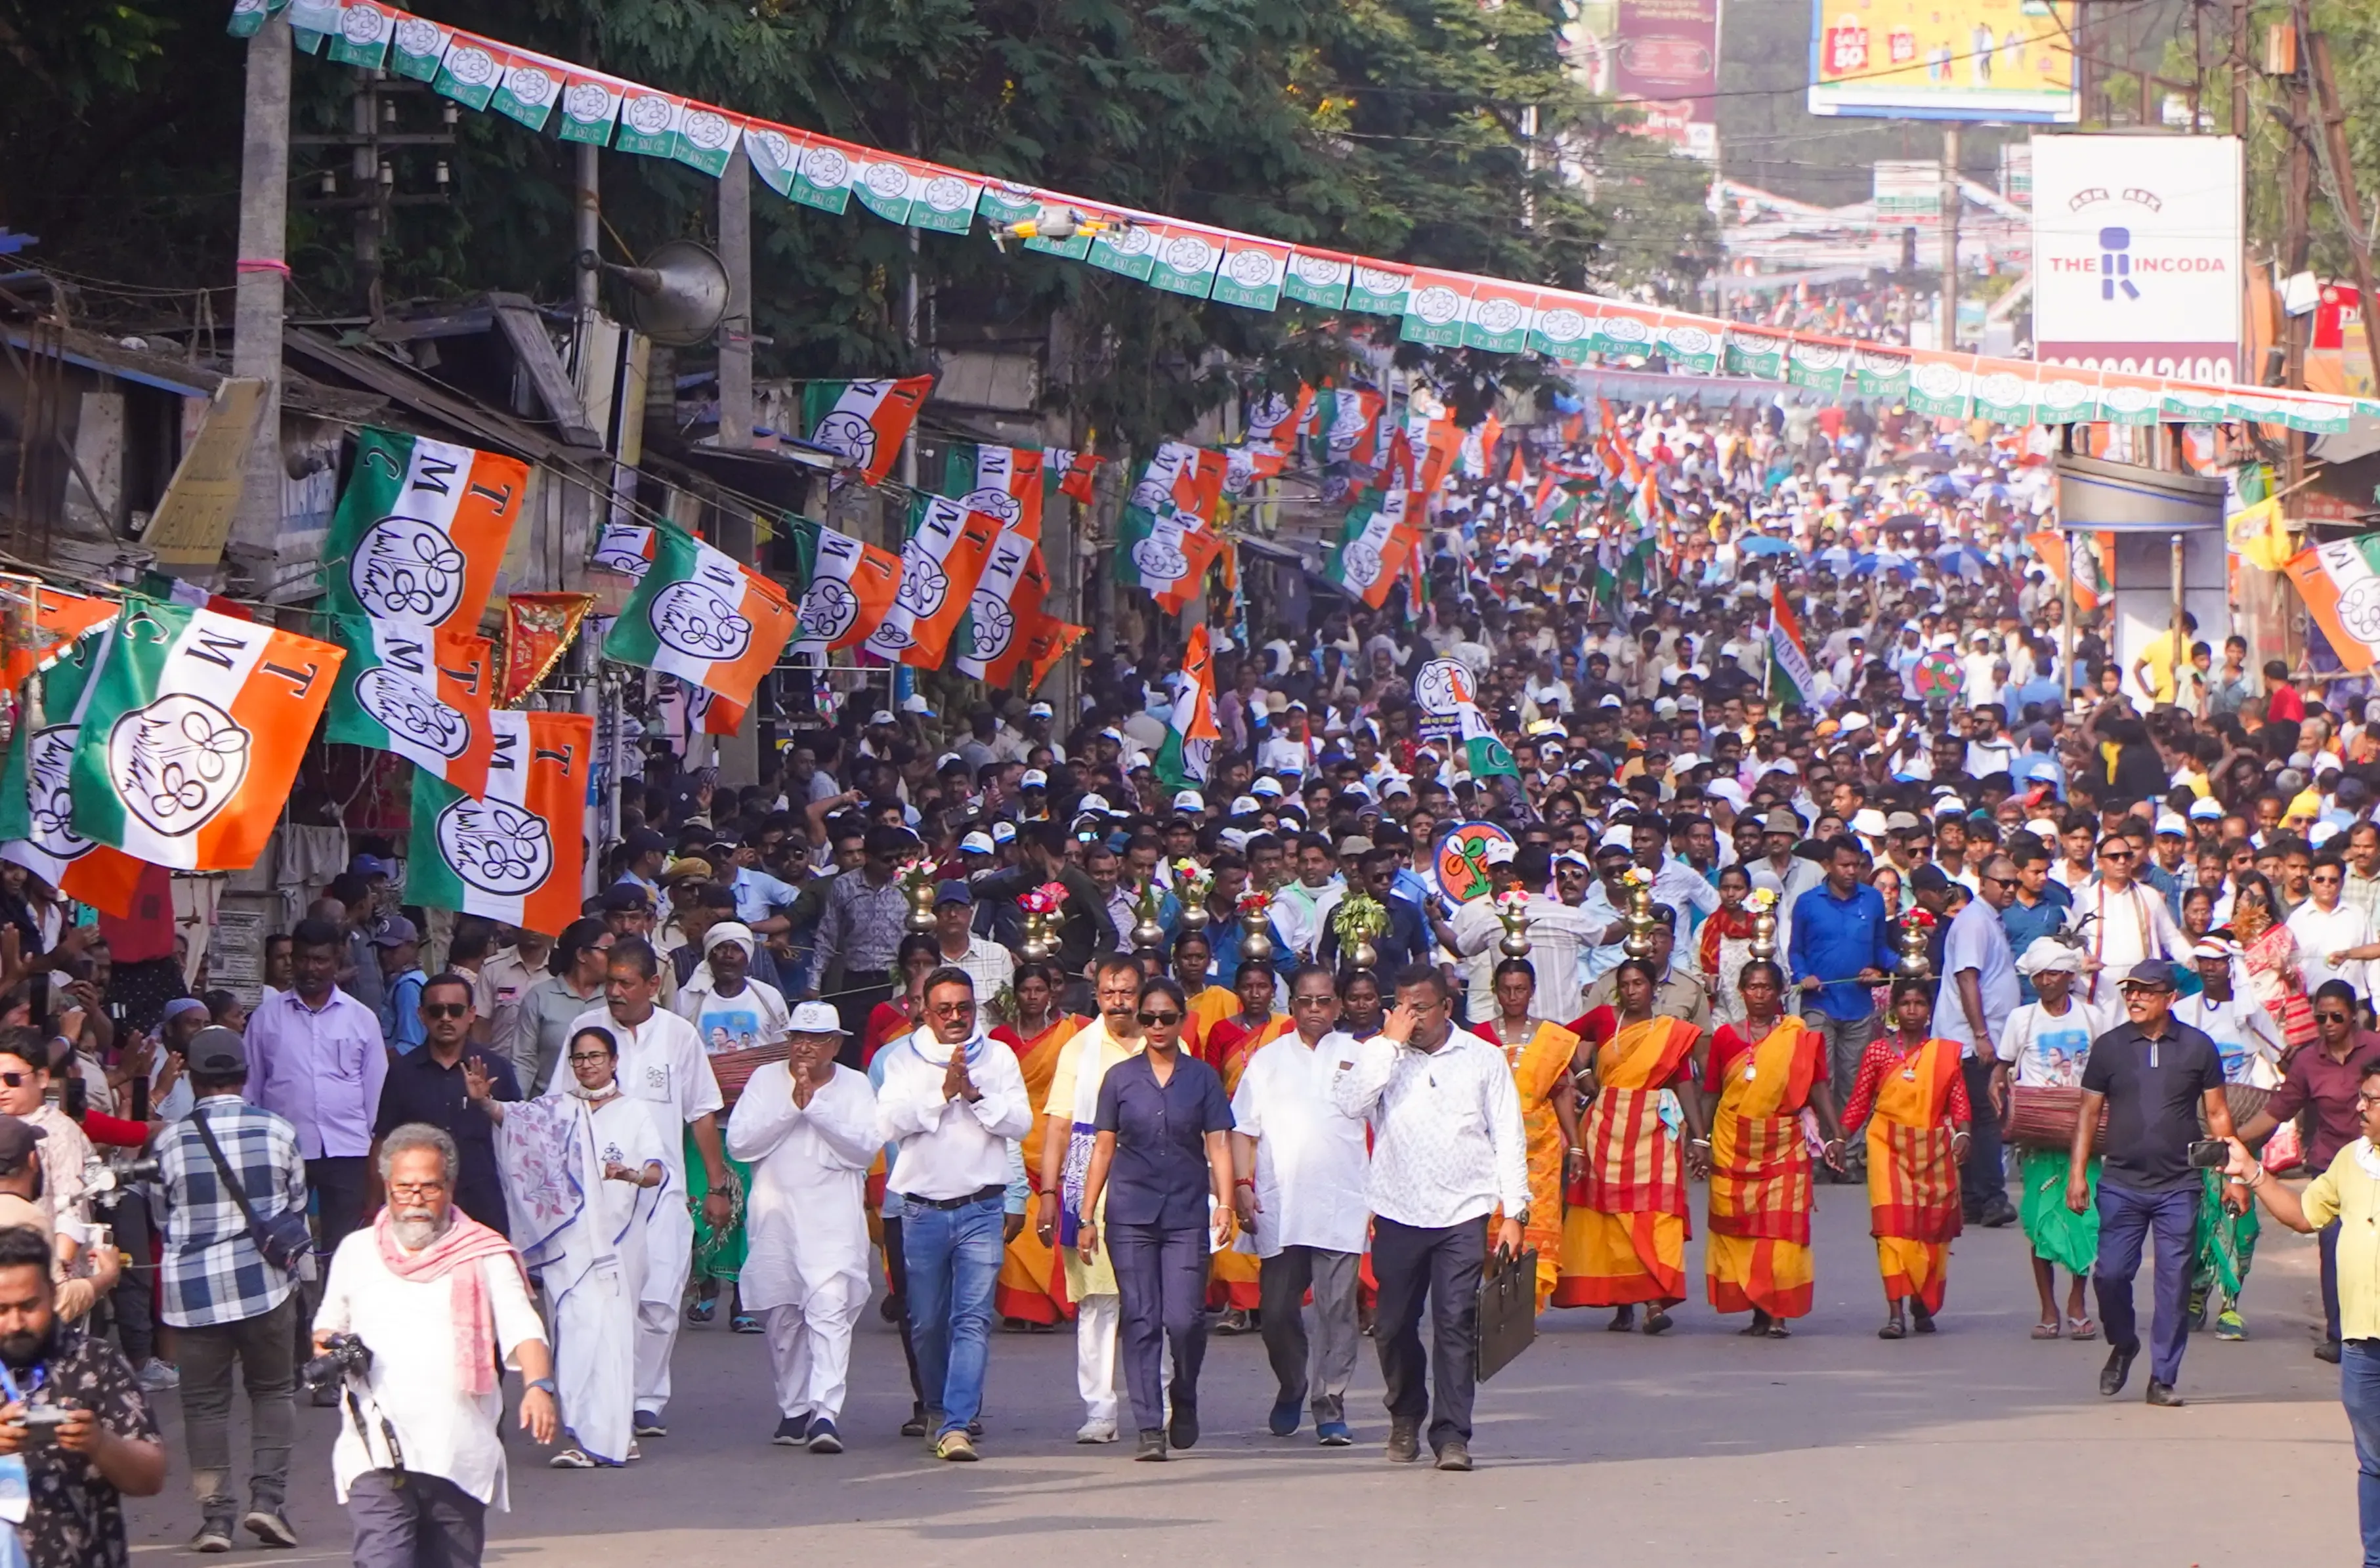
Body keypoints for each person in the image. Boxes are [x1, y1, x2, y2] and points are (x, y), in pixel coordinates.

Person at [313, 1124, 558, 1568]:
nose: (416, 1199)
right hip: (374, 1449)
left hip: (457, 1451)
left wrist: (539, 1385)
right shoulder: (355, 1251)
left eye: (429, 1186)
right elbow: (325, 1329)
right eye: (404, 1188)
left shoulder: (484, 1253)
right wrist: (332, 1353)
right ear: (387, 1186)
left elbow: (524, 1326)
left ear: (450, 1187)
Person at [1330, 966, 1527, 1473]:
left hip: (1464, 1209)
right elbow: (1349, 1104)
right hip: (1398, 1208)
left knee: (1456, 1320)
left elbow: (1508, 1134)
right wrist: (1386, 1046)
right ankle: (1406, 1413)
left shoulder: (1482, 1058)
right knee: (1392, 1326)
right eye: (1402, 1006)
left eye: (1421, 1007)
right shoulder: (1384, 1054)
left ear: (1447, 1007)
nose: (1410, 1017)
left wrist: (1515, 1211)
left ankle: (1452, 1435)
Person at [472, 1026, 665, 1470]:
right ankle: (584, 1435)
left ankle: (613, 1435)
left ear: (614, 1061)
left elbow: (656, 1168)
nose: (587, 1064)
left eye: (596, 1056)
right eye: (579, 1057)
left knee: (612, 1337)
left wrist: (631, 1175)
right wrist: (484, 1101)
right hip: (568, 1245)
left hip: (617, 1243)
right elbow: (515, 1119)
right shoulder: (558, 1109)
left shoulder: (634, 1111)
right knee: (575, 1336)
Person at [567, 938, 731, 1439]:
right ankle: (605, 1397)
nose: (614, 992)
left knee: (659, 1301)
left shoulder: (678, 1035)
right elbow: (561, 1104)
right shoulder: (585, 1030)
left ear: (653, 985)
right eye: (609, 981)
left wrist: (718, 1184)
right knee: (604, 1301)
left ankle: (646, 1397)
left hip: (663, 1193)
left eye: (625, 982)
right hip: (596, 1196)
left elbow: (701, 1110)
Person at [152, 1025, 306, 1551]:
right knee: (272, 1390)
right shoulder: (279, 1131)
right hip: (265, 1286)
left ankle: (216, 1518)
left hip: (194, 1295)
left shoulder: (169, 1140)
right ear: (244, 1075)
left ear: (193, 1079)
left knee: (204, 1405)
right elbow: (296, 1207)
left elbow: (161, 1214)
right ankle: (269, 1502)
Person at [874, 967, 1032, 1461]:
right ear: (924, 1009)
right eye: (944, 1009)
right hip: (920, 1211)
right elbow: (887, 1123)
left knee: (971, 1319)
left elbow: (1021, 1122)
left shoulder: (1000, 1055)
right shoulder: (901, 1059)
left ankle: (957, 1422)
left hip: (981, 1207)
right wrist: (942, 1093)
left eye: (964, 1007)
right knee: (925, 1322)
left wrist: (975, 1095)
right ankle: (938, 1407)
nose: (956, 1017)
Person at [2222, 1067, 2380, 1567]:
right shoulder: (2352, 1161)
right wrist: (2252, 1171)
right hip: (2362, 1340)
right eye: (2361, 1098)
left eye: (2371, 1101)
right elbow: (2303, 1215)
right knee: (2374, 1464)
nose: (2360, 1108)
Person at [1074, 976, 1235, 1462]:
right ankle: (1149, 1425)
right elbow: (1102, 1147)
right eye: (1149, 1018)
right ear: (1140, 1022)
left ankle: (1183, 1394)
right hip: (1131, 1213)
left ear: (1182, 1019)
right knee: (1142, 1318)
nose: (1158, 1025)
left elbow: (1219, 1143)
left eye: (1167, 1017)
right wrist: (1086, 1215)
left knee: (1184, 1319)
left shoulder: (1202, 1077)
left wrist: (1226, 1202)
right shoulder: (1120, 1078)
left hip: (1186, 1211)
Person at [2068, 959, 2241, 1406]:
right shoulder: (2108, 1047)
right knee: (2110, 1273)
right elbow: (2088, 1113)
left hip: (2179, 1184)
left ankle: (2163, 1377)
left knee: (2173, 1282)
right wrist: (2076, 1174)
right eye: (2130, 990)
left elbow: (2219, 1113)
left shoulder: (2198, 1047)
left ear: (2170, 997)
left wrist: (2235, 1172)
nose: (2135, 998)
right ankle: (2124, 1343)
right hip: (2121, 1181)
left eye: (2146, 991)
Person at [726, 1002, 879, 1455]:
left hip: (833, 1224)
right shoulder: (765, 1080)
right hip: (777, 1221)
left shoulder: (854, 1085)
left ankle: (826, 1412)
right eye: (797, 1037)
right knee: (784, 1319)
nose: (804, 1047)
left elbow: (865, 1150)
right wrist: (790, 1109)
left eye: (815, 1038)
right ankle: (794, 1407)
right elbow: (739, 1142)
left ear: (836, 1043)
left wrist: (816, 1109)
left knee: (830, 1313)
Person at [1229, 964, 1370, 1447]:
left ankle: (1330, 1403)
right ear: (1292, 1007)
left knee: (1338, 1311)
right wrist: (1243, 1185)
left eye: (1324, 1000)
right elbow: (1243, 1129)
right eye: (1306, 1001)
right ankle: (1292, 1383)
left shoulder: (1359, 1057)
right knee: (1275, 1311)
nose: (1315, 1009)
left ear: (1338, 1005)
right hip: (1280, 1203)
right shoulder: (1266, 1060)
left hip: (1341, 1202)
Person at [241, 917, 386, 1318]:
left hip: (349, 1151)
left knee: (345, 1249)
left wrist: (377, 1156)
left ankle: (341, 1332)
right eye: (303, 960)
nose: (310, 969)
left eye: (320, 960)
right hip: (286, 1152)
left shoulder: (361, 1019)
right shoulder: (266, 1019)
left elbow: (376, 1093)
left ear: (336, 960)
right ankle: (295, 1333)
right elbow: (251, 1089)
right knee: (284, 1249)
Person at [0, 1222, 165, 1568]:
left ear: (52, 1291)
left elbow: (151, 1477)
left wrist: (100, 1444)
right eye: (2, 1309)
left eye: (29, 1306)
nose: (16, 1323)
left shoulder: (95, 1361)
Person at [2234, 977, 2380, 1363]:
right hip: (2333, 1165)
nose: (2328, 1024)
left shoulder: (2376, 1049)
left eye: (2336, 1016)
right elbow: (2277, 1111)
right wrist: (2233, 1141)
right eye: (2321, 1018)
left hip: (2377, 1162)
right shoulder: (2306, 1061)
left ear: (2353, 1017)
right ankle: (2340, 1335)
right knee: (2334, 1249)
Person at [1556, 958, 1706, 1328]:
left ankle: (1655, 1302)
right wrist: (1585, 1072)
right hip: (1607, 1127)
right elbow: (1558, 1038)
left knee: (1656, 1216)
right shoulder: (1606, 1019)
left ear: (1654, 987)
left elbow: (1684, 1081)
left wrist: (1700, 1137)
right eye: (1625, 984)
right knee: (1612, 1218)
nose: (1632, 990)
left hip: (1655, 1129)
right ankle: (1623, 1304)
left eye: (1639, 983)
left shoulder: (1670, 1031)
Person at [1033, 956, 1146, 1443]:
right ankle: (1100, 1410)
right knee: (1099, 1301)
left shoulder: (1165, 1039)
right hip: (1090, 1188)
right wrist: (1049, 1192)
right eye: (1108, 992)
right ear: (1096, 995)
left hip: (1154, 1183)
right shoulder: (1079, 1048)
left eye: (1127, 991)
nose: (1118, 1000)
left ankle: (1154, 1401)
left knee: (1151, 1302)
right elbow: (1058, 1124)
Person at [1704, 959, 1844, 1337]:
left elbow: (1817, 1086)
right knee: (1744, 1230)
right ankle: (1759, 1311)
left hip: (1784, 1143)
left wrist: (1836, 1135)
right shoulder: (1726, 1038)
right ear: (1742, 992)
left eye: (1767, 987)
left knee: (1781, 1230)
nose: (1760, 995)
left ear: (1780, 991)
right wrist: (1700, 1141)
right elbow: (1712, 1093)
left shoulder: (1797, 1036)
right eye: (1752, 987)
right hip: (1734, 1144)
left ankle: (1779, 1312)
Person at [1833, 977, 1972, 1339]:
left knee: (1930, 1230)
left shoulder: (1944, 1053)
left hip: (1933, 1150)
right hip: (1887, 1147)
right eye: (1905, 1003)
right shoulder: (1878, 1052)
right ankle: (1896, 1312)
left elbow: (1958, 1101)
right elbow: (1860, 1102)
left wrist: (1964, 1133)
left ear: (1929, 1009)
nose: (1912, 1010)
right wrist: (1838, 1138)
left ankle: (1922, 1301)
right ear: (1893, 1008)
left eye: (1919, 1004)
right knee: (1891, 1229)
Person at [1998, 939, 2118, 1339]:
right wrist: (2000, 1097)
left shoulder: (2092, 1017)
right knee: (2039, 1221)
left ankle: (2077, 1302)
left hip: (2085, 1136)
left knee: (2084, 1219)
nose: (2045, 982)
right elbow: (2001, 1070)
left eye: (2053, 974)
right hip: (2037, 1138)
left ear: (2070, 977)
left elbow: (2110, 1071)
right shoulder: (2021, 1019)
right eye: (2039, 976)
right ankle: (2048, 1306)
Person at [370, 975, 520, 1235]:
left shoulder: (495, 1069)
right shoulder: (402, 1073)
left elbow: (520, 1134)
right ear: (422, 1015)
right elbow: (384, 1141)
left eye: (456, 1010)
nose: (446, 1018)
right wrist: (375, 1203)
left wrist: (486, 1103)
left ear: (472, 1014)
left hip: (486, 1202)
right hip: (421, 1204)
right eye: (437, 1011)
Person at [1787, 837, 1895, 1177]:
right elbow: (1796, 951)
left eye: (1856, 865)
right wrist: (1804, 976)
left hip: (1859, 1005)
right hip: (1819, 1003)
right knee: (1820, 1079)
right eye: (1844, 865)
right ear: (1829, 866)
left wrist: (1888, 969)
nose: (1851, 872)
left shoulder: (1873, 900)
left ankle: (1849, 1154)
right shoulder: (1807, 903)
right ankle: (1819, 1151)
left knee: (1854, 1082)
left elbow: (1881, 949)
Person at [1478, 958, 1581, 1309]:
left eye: (1520, 989)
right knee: (1493, 1220)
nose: (1513, 996)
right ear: (1495, 992)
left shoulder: (1552, 1037)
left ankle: (1527, 1303)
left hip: (1542, 1148)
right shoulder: (1477, 1037)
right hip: (1490, 1146)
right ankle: (1500, 1299)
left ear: (1532, 991)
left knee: (1536, 1219)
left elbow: (1562, 1091)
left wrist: (1577, 1145)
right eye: (1505, 989)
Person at [988, 962, 1081, 1330]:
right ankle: (1018, 1307)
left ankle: (1048, 1306)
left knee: (1050, 1223)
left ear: (1050, 994)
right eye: (1025, 990)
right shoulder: (998, 1039)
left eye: (1039, 990)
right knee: (1014, 1222)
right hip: (1011, 1137)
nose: (1032, 997)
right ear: (1015, 994)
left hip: (1055, 1136)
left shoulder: (1072, 1034)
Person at [1936, 855, 2021, 1227]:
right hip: (1970, 1040)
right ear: (1982, 882)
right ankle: (1991, 1198)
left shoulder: (1989, 921)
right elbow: (1967, 978)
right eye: (2002, 883)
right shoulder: (1973, 921)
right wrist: (1982, 1034)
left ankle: (1971, 1199)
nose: (2010, 889)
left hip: (1980, 1037)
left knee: (1971, 1116)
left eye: (2013, 883)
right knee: (1985, 1116)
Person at [510, 920, 613, 1096]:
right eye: (607, 951)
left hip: (603, 1107)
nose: (615, 958)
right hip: (550, 1107)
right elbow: (524, 1061)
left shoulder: (614, 998)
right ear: (582, 955)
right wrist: (519, 1110)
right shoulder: (540, 997)